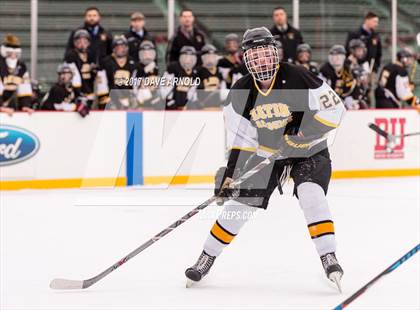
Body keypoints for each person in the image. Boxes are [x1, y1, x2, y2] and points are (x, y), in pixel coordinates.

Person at [185, 27, 345, 291]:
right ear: (247, 59)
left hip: (309, 150)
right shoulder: (240, 93)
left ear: (275, 54)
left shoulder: (297, 76)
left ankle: (329, 255)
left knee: (311, 194)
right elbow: (240, 141)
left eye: (266, 53)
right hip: (268, 154)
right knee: (239, 205)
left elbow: (335, 109)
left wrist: (302, 135)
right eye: (255, 55)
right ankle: (207, 256)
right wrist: (230, 174)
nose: (262, 60)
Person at [97, 35, 142, 110]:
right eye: (118, 47)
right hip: (111, 98)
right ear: (113, 49)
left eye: (123, 47)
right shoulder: (106, 63)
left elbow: (136, 84)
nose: (120, 49)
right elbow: (103, 85)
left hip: (129, 98)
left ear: (127, 48)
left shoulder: (133, 63)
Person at [0, 34, 34, 115]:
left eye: (16, 54)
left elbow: (24, 88)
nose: (13, 56)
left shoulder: (21, 67)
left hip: (6, 104)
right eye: (10, 53)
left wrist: (25, 105)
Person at [320, 45, 362, 110]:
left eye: (338, 56)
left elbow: (352, 85)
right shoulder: (324, 70)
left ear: (343, 57)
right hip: (328, 101)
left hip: (345, 98)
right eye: (333, 56)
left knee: (357, 105)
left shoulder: (348, 69)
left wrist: (352, 99)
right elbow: (321, 90)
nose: (335, 59)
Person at [64, 29, 97, 109]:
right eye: (79, 42)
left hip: (90, 91)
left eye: (85, 41)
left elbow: (96, 74)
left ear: (89, 42)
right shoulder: (71, 55)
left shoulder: (91, 54)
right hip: (75, 92)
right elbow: (74, 76)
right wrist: (78, 94)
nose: (82, 44)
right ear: (75, 43)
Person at [161, 46, 198, 110]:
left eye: (190, 57)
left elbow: (192, 93)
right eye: (185, 57)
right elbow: (164, 90)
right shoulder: (173, 69)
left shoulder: (194, 74)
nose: (188, 60)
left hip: (185, 108)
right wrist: (170, 101)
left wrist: (191, 103)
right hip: (171, 106)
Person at [193, 44, 227, 109]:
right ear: (203, 58)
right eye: (207, 57)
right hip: (203, 106)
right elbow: (193, 89)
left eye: (212, 57)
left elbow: (223, 89)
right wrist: (196, 101)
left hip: (217, 106)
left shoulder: (219, 71)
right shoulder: (198, 71)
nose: (210, 59)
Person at [136, 40, 161, 108]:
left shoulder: (155, 67)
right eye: (144, 53)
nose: (147, 55)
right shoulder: (137, 67)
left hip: (154, 94)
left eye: (149, 53)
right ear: (140, 54)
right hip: (140, 96)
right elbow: (135, 84)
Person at [346, 39, 371, 108]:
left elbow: (366, 82)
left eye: (362, 50)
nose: (361, 52)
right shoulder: (346, 64)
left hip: (361, 96)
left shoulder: (364, 63)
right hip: (349, 98)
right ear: (352, 51)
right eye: (359, 50)